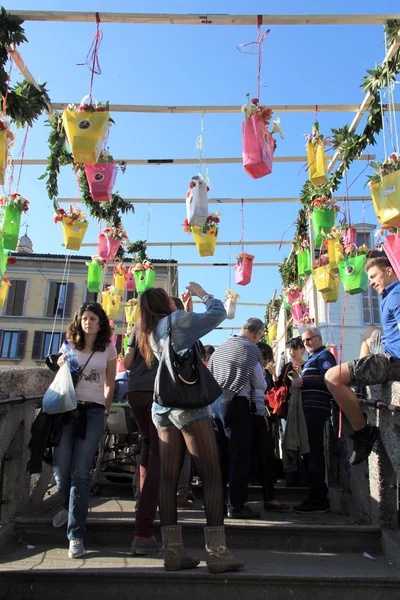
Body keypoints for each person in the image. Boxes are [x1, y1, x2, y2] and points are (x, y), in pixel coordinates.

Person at [135, 283, 243, 573]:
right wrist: (203, 293)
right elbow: (218, 314)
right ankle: (217, 553)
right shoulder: (177, 320)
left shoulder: (151, 332)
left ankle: (172, 552)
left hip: (163, 409)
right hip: (189, 407)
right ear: (164, 303)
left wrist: (184, 309)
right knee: (212, 476)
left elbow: (181, 343)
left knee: (168, 481)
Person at [53, 302, 117, 558]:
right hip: (67, 410)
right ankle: (69, 508)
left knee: (81, 472)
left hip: (92, 412)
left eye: (93, 318)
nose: (88, 322)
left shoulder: (109, 349)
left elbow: (110, 384)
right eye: (84, 318)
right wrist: (60, 365)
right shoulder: (68, 346)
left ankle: (75, 534)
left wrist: (104, 412)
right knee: (61, 470)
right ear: (78, 321)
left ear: (101, 323)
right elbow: (61, 380)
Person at [325, 256, 400, 465]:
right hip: (386, 349)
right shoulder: (389, 294)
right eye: (369, 278)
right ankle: (359, 391)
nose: (372, 282)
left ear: (389, 271)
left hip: (392, 361)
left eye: (374, 276)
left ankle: (363, 433)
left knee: (332, 377)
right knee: (369, 331)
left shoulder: (396, 295)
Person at [209, 318, 266, 519]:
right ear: (257, 334)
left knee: (221, 457)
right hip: (235, 402)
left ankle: (219, 503)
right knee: (239, 456)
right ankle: (237, 505)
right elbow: (260, 383)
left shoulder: (221, 348)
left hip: (215, 403)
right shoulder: (251, 349)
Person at [290, 326, 336, 513]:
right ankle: (315, 495)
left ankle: (319, 499)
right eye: (304, 341)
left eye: (309, 339)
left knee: (314, 453)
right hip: (308, 409)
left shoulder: (324, 356)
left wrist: (304, 381)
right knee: (310, 453)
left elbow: (330, 379)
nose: (305, 343)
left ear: (318, 338)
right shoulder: (313, 358)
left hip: (316, 410)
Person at [124, 327, 160, 555]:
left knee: (147, 444)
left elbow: (127, 363)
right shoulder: (168, 327)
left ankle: (140, 497)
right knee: (159, 455)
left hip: (135, 390)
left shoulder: (137, 329)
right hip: (157, 392)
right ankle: (143, 528)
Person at [253, 341, 289, 512]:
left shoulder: (263, 370)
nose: (267, 362)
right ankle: (269, 496)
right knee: (265, 454)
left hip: (262, 414)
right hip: (260, 414)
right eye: (266, 358)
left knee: (265, 453)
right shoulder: (256, 368)